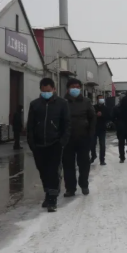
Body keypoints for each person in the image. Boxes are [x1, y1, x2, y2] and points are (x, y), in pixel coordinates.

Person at [27, 78, 71, 212]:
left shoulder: (62, 104)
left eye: (48, 90)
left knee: (53, 171)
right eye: (43, 91)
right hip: (39, 145)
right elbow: (30, 125)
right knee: (43, 171)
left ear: (54, 89)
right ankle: (48, 193)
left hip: (55, 143)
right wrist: (31, 142)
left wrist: (63, 141)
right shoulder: (35, 105)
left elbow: (66, 124)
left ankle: (52, 199)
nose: (46, 93)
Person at [63, 78, 96, 197]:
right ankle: (70, 188)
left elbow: (92, 118)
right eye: (73, 87)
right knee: (68, 165)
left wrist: (91, 134)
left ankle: (84, 185)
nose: (75, 89)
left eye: (77, 87)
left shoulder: (86, 102)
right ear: (68, 89)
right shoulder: (62, 102)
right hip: (67, 139)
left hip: (83, 137)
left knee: (84, 163)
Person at [91, 94, 109, 165]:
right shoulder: (93, 107)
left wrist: (102, 115)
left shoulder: (105, 108)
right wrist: (96, 114)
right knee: (92, 144)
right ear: (97, 100)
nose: (101, 100)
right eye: (100, 98)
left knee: (102, 145)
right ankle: (93, 155)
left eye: (102, 98)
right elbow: (90, 116)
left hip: (102, 129)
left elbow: (108, 117)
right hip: (94, 128)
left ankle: (102, 160)